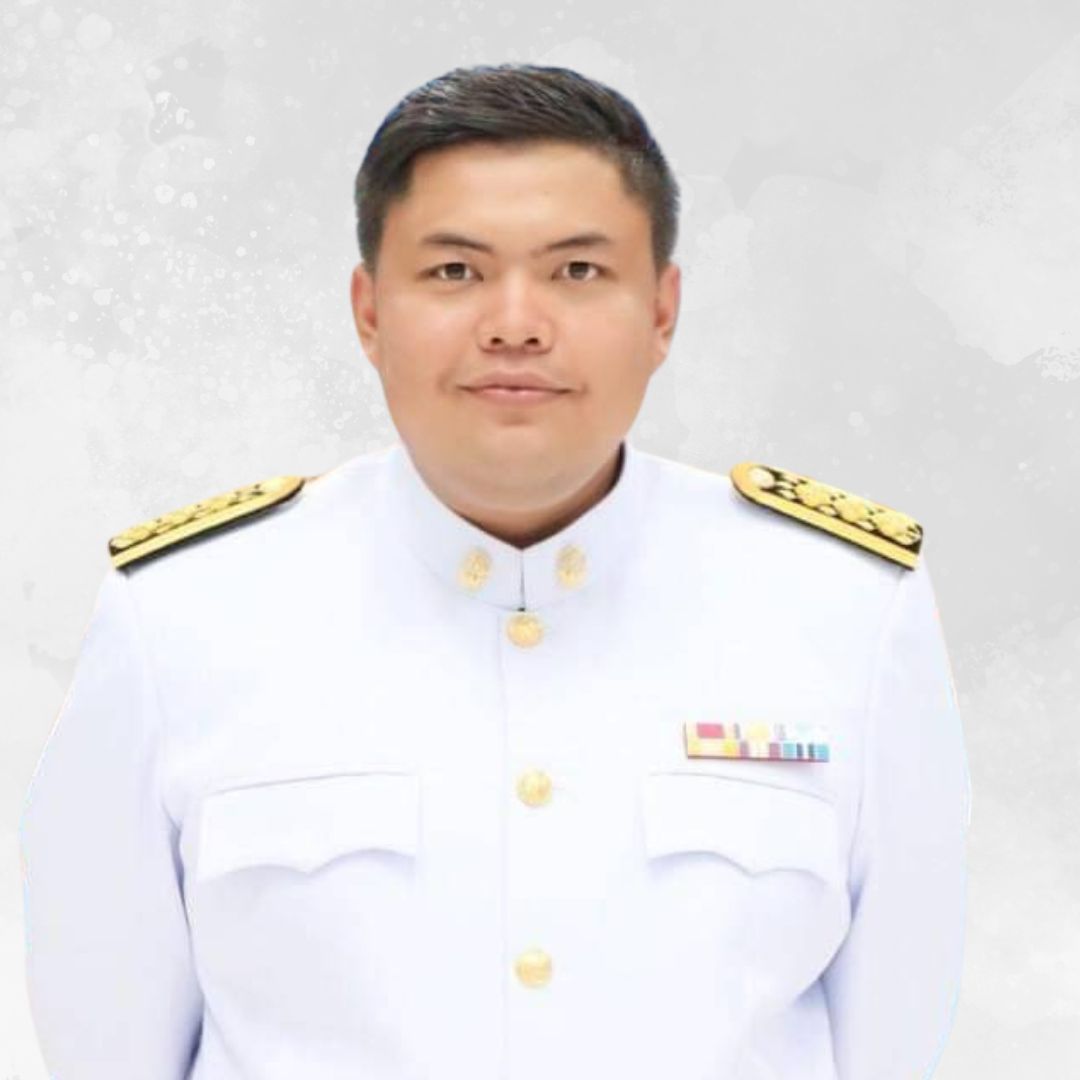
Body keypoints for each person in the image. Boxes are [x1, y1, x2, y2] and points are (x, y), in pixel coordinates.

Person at [18, 62, 971, 1080]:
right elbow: (105, 1048)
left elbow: (898, 1039)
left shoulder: (846, 609)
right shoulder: (182, 616)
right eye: (454, 272)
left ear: (663, 310)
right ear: (368, 311)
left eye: (578, 271)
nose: (515, 323)